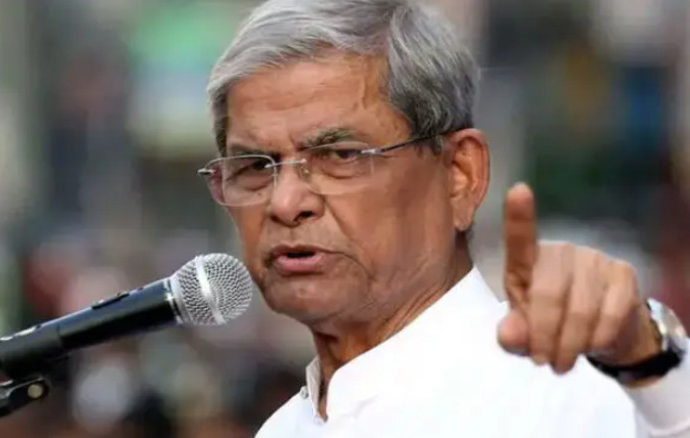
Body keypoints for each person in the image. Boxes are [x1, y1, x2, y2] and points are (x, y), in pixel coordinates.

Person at [197, 0, 690, 436]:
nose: (285, 202)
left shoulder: (585, 392)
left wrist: (646, 355)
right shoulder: (283, 429)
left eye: (340, 156)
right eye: (254, 166)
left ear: (460, 175)